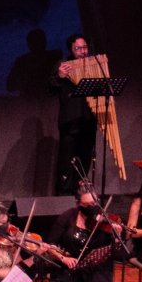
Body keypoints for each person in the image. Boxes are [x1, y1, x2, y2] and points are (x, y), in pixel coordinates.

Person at [50, 34, 97, 194]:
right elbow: (50, 89)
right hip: (70, 123)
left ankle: (81, 195)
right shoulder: (63, 65)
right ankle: (63, 197)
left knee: (84, 161)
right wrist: (59, 77)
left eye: (84, 48)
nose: (82, 51)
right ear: (71, 49)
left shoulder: (94, 64)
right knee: (66, 163)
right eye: (78, 48)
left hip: (88, 121)